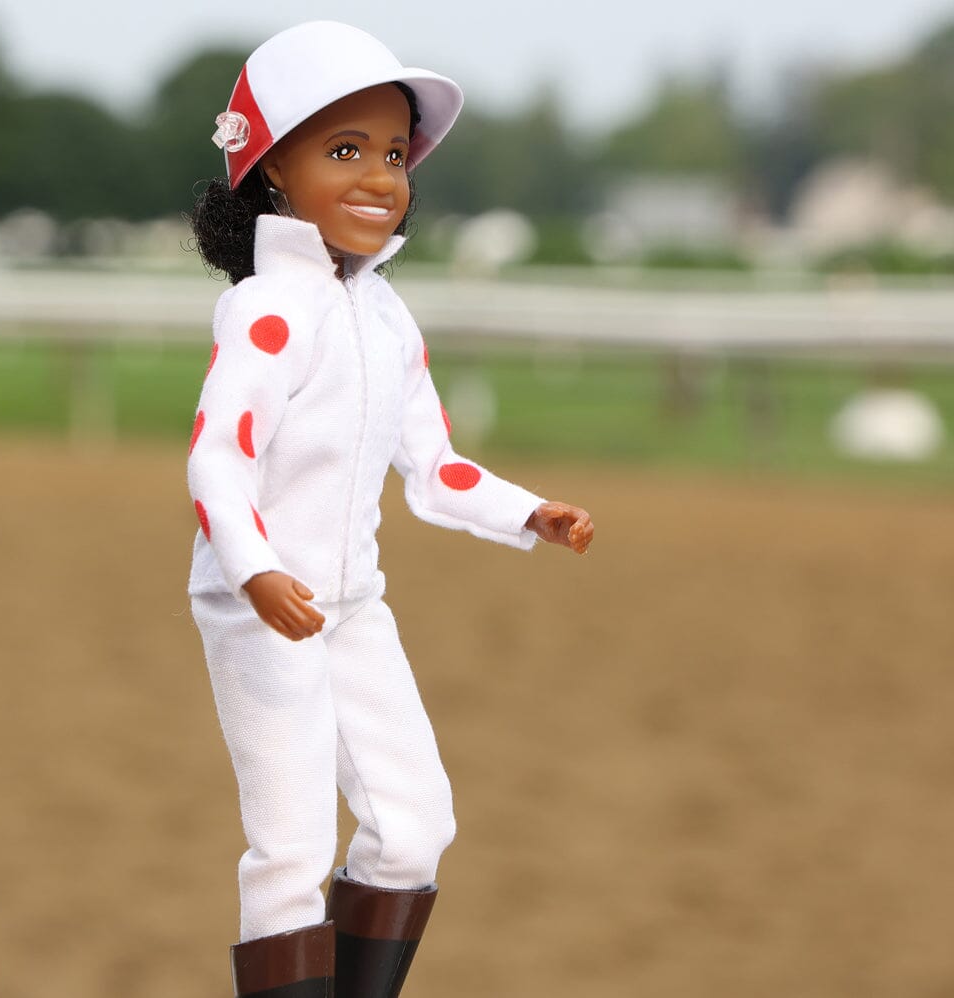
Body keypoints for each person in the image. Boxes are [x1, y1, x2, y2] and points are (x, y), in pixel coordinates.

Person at [186, 21, 594, 998]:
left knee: (413, 827)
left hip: (353, 604)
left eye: (394, 153)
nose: (380, 176)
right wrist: (255, 569)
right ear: (272, 169)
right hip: (262, 606)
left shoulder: (382, 310)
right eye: (344, 150)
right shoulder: (265, 310)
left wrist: (526, 509)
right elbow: (216, 458)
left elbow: (434, 465)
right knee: (287, 852)